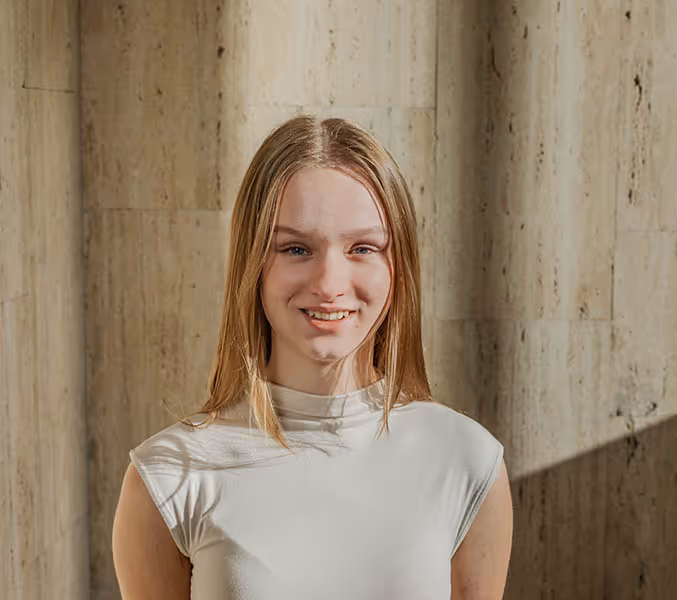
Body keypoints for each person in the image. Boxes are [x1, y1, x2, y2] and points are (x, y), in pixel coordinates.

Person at [110, 114, 513, 599]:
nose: (328, 284)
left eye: (363, 248)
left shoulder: (468, 463)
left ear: (397, 267)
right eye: (296, 248)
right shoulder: (168, 478)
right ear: (253, 264)